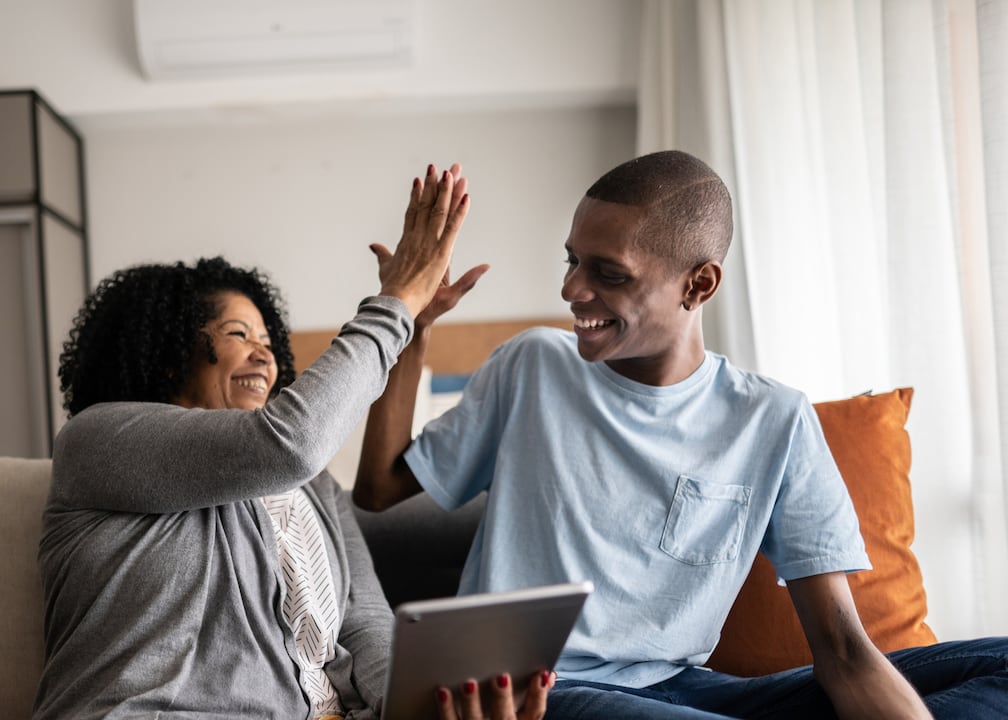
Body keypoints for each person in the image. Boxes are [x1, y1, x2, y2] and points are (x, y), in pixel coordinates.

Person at [355, 150, 1008, 719]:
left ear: (699, 284)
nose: (571, 288)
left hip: (686, 691)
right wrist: (410, 324)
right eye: (572, 260)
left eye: (607, 273)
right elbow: (381, 487)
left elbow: (842, 651)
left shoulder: (774, 420)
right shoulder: (535, 365)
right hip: (544, 693)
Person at [31, 165, 555, 720]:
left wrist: (417, 705)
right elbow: (287, 444)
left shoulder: (316, 486)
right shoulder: (99, 440)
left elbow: (365, 622)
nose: (265, 355)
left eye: (267, 340)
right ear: (164, 357)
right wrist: (396, 301)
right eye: (238, 335)